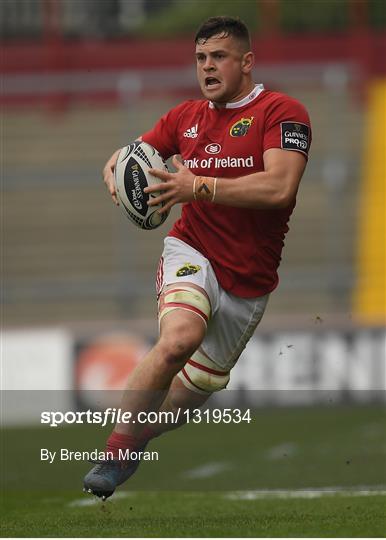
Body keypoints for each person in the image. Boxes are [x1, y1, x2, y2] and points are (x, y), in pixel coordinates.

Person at [83, 15, 311, 499]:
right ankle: (114, 451)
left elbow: (280, 187)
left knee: (180, 405)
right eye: (201, 59)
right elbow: (130, 154)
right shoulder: (184, 117)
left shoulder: (283, 112)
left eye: (219, 57)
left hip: (248, 282)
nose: (208, 67)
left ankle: (138, 437)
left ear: (246, 61)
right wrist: (114, 169)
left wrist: (198, 186)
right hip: (193, 250)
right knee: (177, 339)